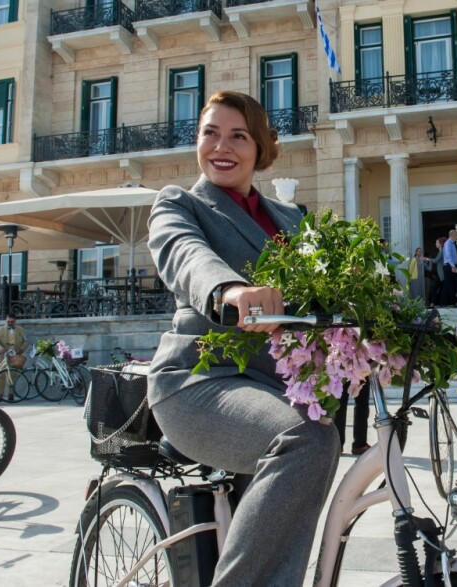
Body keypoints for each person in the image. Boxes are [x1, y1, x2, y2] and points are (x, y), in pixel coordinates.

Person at [146, 90, 340, 585]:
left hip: (272, 389)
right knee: (307, 439)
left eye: (238, 135)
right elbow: (184, 254)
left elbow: (330, 291)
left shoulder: (292, 218)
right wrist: (230, 290)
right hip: (197, 384)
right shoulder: (181, 203)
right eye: (209, 133)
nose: (221, 145)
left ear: (259, 149)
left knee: (313, 440)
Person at [0, 313, 29, 402]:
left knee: (12, 375)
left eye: (12, 321)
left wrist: (21, 349)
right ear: (6, 320)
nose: (10, 323)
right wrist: (0, 349)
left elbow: (26, 341)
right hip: (3, 355)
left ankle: (11, 394)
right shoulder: (0, 330)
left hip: (15, 354)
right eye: (8, 321)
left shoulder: (21, 330)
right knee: (1, 375)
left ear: (15, 321)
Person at [334, 380, 370, 455]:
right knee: (338, 406)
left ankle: (360, 444)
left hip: (362, 372)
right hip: (342, 370)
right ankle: (337, 445)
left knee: (362, 405)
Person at [443, 229, 457, 306]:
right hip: (449, 266)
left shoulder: (452, 244)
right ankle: (456, 302)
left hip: (452, 265)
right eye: (456, 235)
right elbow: (448, 256)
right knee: (451, 285)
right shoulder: (448, 243)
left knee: (456, 284)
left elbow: (452, 256)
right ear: (452, 235)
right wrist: (453, 266)